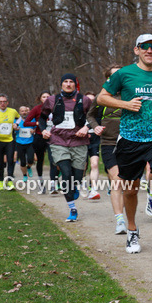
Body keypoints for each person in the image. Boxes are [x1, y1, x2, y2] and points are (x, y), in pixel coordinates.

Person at [96, 34, 152, 257]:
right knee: (130, 189)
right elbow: (101, 98)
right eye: (145, 47)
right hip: (130, 137)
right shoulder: (124, 74)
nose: (149, 50)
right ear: (137, 50)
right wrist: (125, 104)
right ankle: (132, 229)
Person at [41, 76, 94, 221]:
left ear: (76, 85)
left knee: (76, 177)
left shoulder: (85, 100)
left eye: (71, 82)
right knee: (65, 172)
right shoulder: (52, 100)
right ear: (61, 84)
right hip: (58, 141)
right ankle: (72, 209)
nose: (68, 84)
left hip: (79, 141)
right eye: (65, 82)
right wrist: (44, 130)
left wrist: (86, 127)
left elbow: (94, 117)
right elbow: (41, 118)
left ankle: (74, 186)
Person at [88, 65, 127, 234]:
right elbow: (90, 115)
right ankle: (120, 220)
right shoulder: (101, 97)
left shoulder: (130, 95)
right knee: (117, 179)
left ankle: (127, 215)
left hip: (129, 142)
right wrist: (96, 126)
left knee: (126, 183)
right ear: (108, 79)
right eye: (113, 76)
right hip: (109, 142)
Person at [82, 91, 102, 200]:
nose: (90, 101)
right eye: (88, 99)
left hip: (94, 139)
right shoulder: (79, 110)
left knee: (94, 164)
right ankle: (82, 184)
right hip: (81, 140)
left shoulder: (98, 111)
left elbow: (99, 122)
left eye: (92, 99)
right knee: (83, 166)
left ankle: (93, 189)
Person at [14, 106, 38, 181]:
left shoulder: (32, 119)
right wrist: (15, 128)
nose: (24, 112)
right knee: (23, 161)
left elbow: (36, 128)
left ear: (28, 112)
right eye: (22, 111)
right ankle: (24, 175)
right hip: (19, 143)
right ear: (19, 112)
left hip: (30, 142)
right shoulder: (16, 121)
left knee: (31, 160)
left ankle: (29, 167)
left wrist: (34, 131)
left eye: (25, 111)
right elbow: (13, 128)